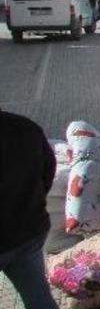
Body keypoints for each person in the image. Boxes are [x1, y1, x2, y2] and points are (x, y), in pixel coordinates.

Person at [0, 107, 60, 309]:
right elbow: (48, 170)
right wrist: (32, 200)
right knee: (39, 298)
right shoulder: (26, 127)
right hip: (29, 231)